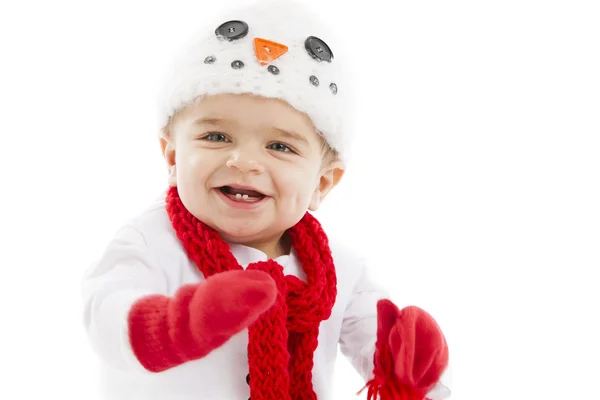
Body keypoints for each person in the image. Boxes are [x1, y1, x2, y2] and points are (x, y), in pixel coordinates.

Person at [81, 1, 451, 399]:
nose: (243, 161)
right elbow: (106, 316)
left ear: (322, 184)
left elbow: (376, 345)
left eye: (280, 146)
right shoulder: (149, 242)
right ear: (173, 157)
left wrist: (412, 366)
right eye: (216, 137)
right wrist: (176, 325)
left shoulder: (338, 270)